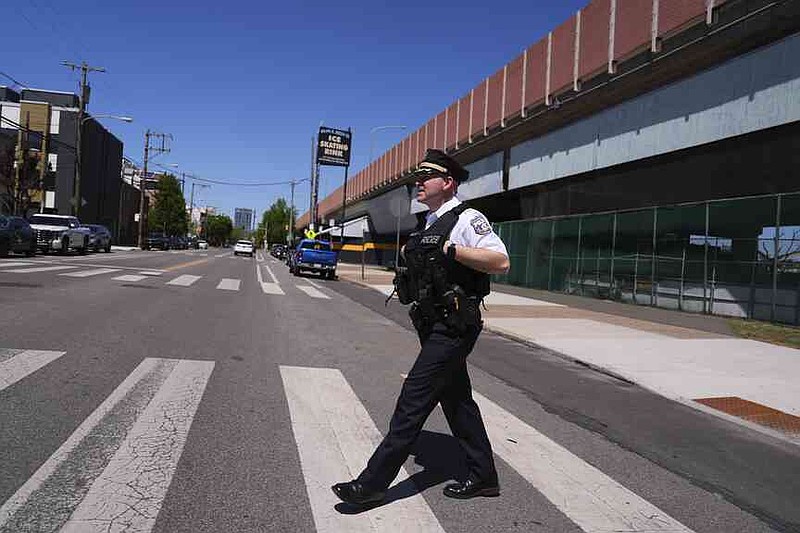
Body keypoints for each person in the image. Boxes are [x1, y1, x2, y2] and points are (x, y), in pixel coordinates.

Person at [332, 149, 510, 506]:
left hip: (455, 327)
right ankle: (484, 475)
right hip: (433, 325)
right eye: (418, 177)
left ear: (447, 182)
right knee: (457, 401)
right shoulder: (429, 222)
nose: (418, 183)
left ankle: (373, 482)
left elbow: (500, 260)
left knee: (413, 399)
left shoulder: (466, 218)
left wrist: (453, 250)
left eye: (425, 177)